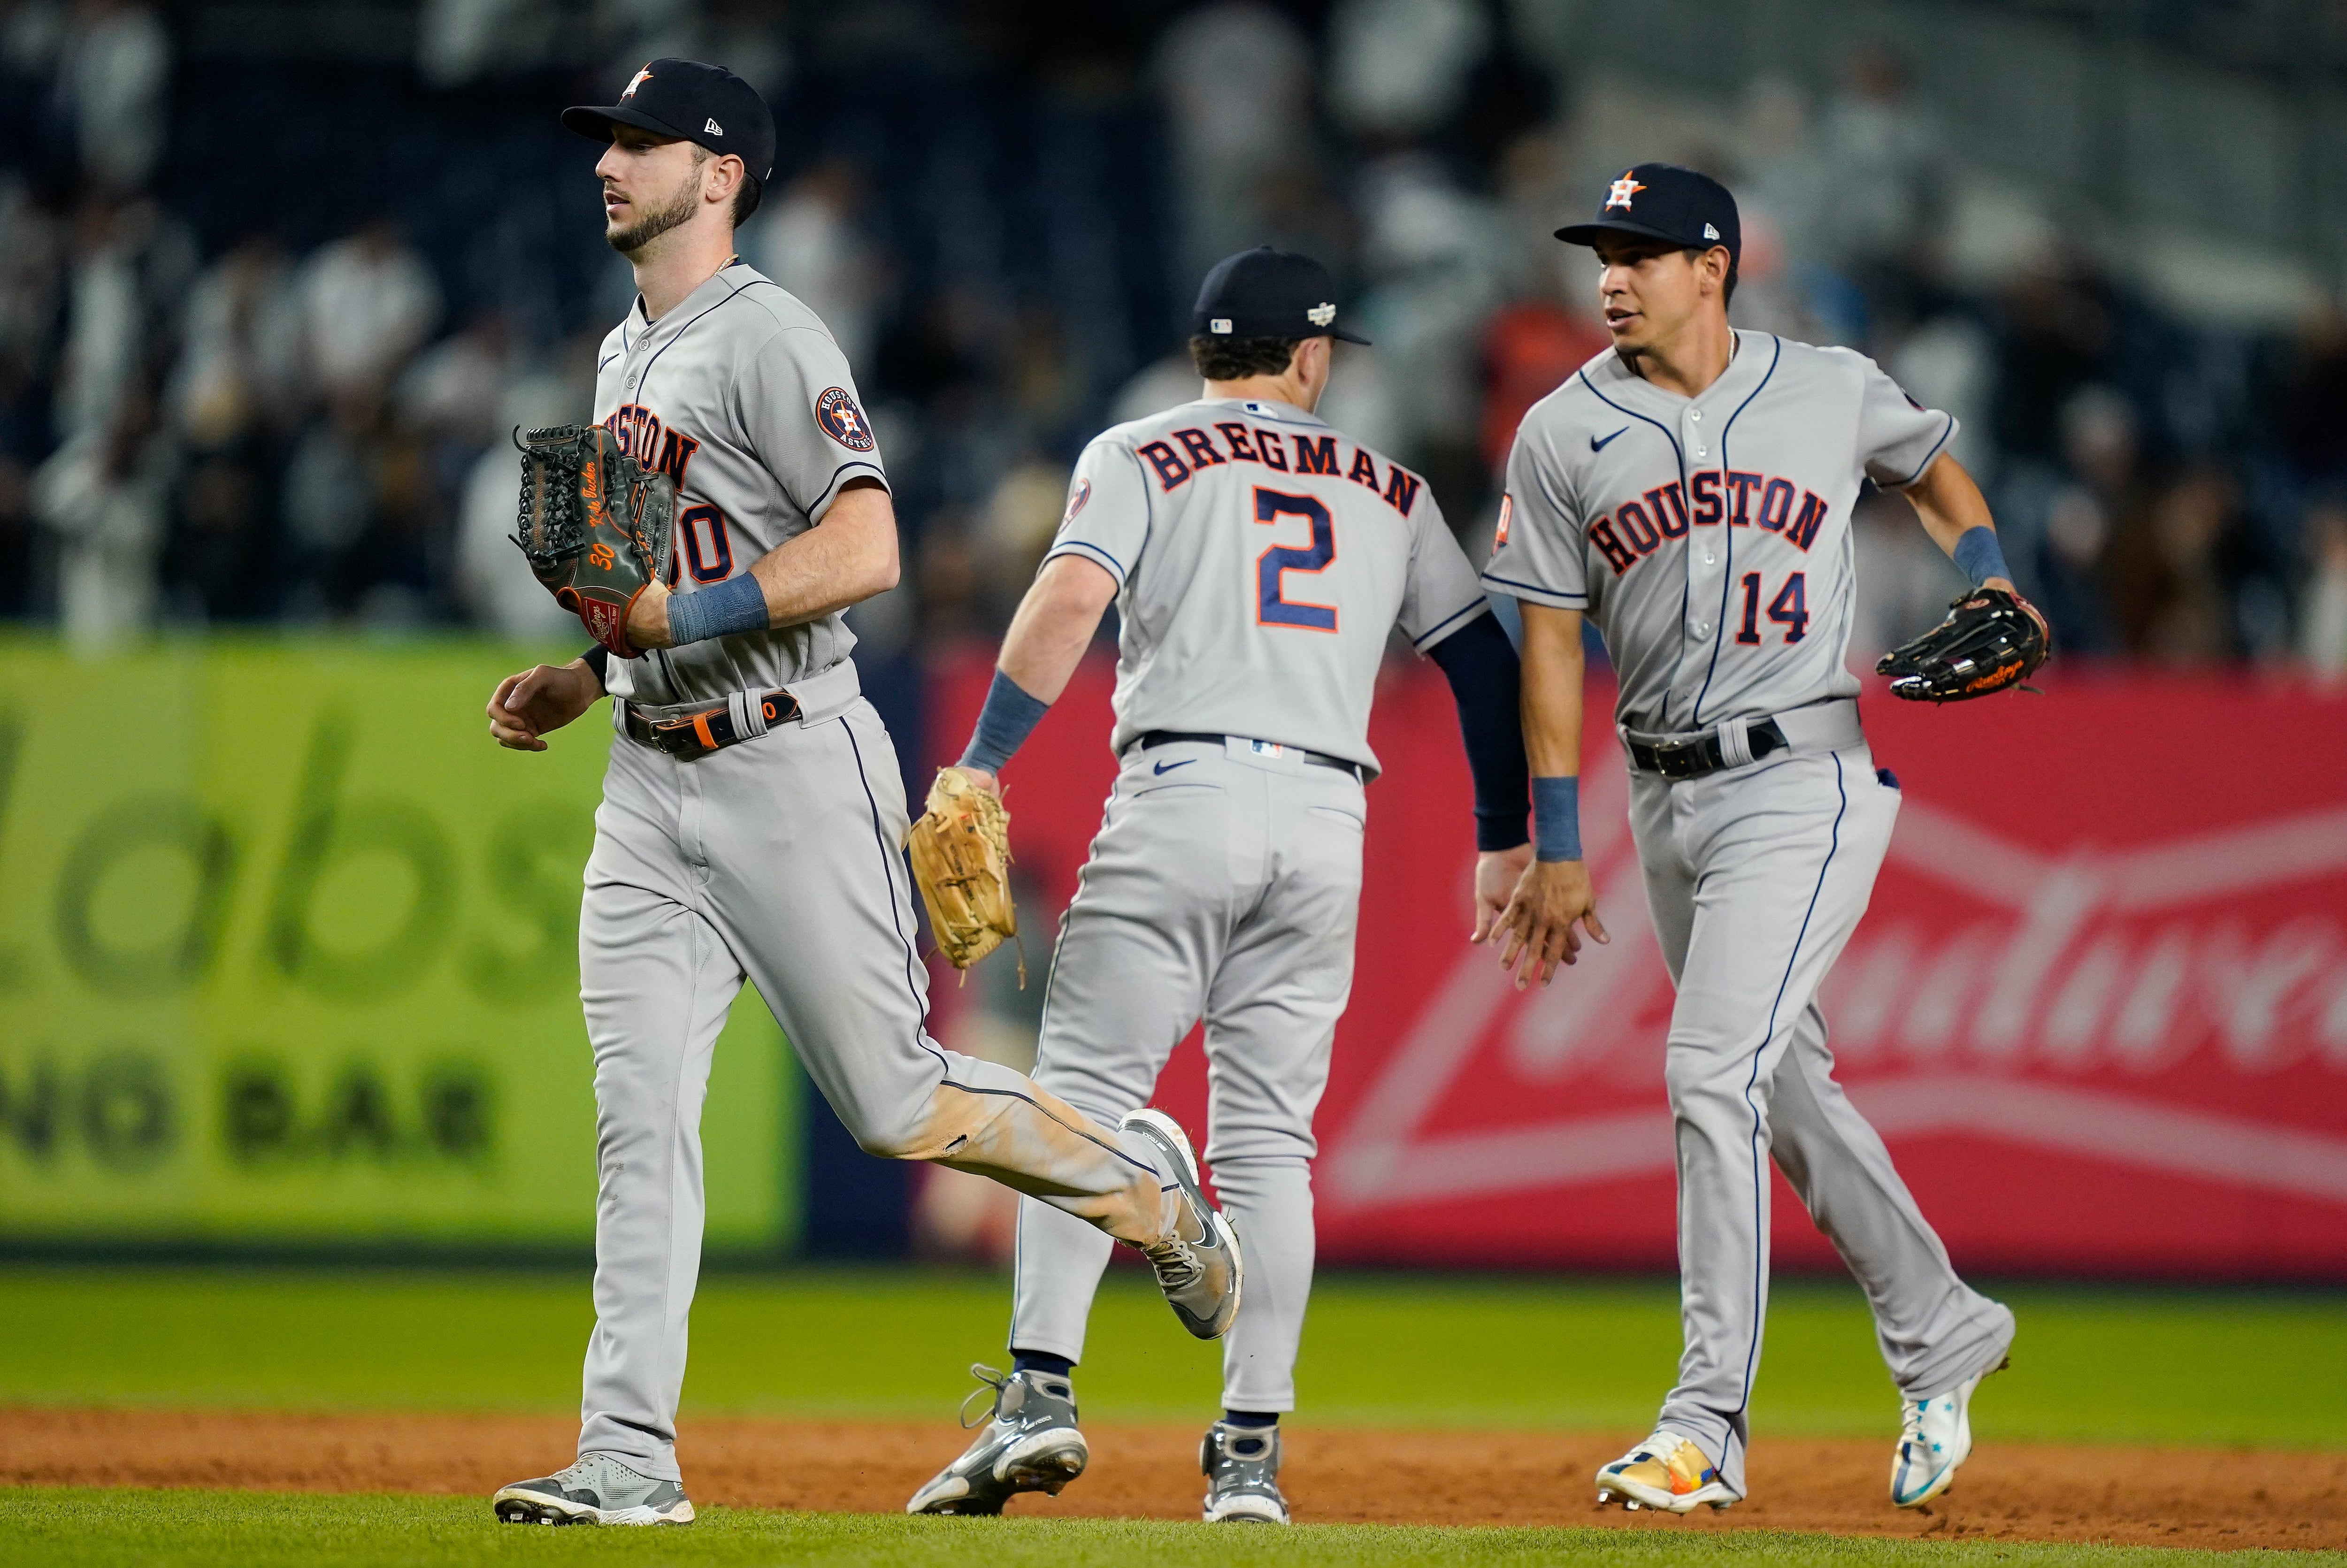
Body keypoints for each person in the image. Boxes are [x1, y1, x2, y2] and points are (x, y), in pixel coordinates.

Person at [477, 59, 1239, 1529]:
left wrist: (675, 632)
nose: (609, 164)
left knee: (897, 1103)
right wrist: (595, 670)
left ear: (722, 174)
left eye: (642, 143)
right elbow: (645, 591)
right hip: (649, 778)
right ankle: (629, 1456)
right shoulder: (623, 354)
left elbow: (872, 544)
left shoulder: (770, 332)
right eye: (606, 142)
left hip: (786, 761)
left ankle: (1145, 1183)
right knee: (642, 1121)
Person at [905, 247, 1532, 1525]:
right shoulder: (1394, 489)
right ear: (1309, 358)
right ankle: (1248, 1460)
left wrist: (981, 761)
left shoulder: (1138, 453)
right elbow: (1478, 663)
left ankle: (1039, 1396)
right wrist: (1507, 833)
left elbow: (1071, 593)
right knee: (1272, 1149)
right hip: (1324, 816)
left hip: (1180, 795)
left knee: (1076, 1104)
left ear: (1203, 353)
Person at [1485, 164, 2024, 1515]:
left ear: (1714, 267)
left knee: (1706, 1070)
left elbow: (1936, 470)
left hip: (1809, 777)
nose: (1612, 275)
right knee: (1780, 1091)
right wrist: (1558, 841)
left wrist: (1991, 575)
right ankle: (1943, 1326)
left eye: (1644, 252)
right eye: (1604, 252)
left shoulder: (1829, 386)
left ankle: (1703, 1424)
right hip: (1664, 796)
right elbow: (1550, 644)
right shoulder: (1562, 430)